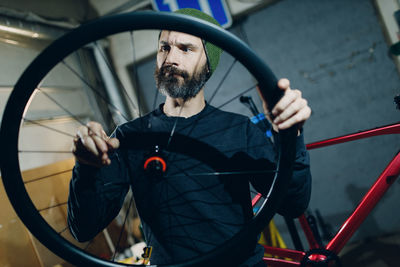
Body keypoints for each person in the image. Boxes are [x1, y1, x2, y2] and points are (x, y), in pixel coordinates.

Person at [68, 8, 312, 266]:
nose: (170, 58)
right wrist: (87, 168)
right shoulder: (131, 137)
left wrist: (290, 134)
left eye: (186, 49)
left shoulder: (239, 130)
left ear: (208, 65)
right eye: (164, 47)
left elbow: (294, 204)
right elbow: (83, 229)